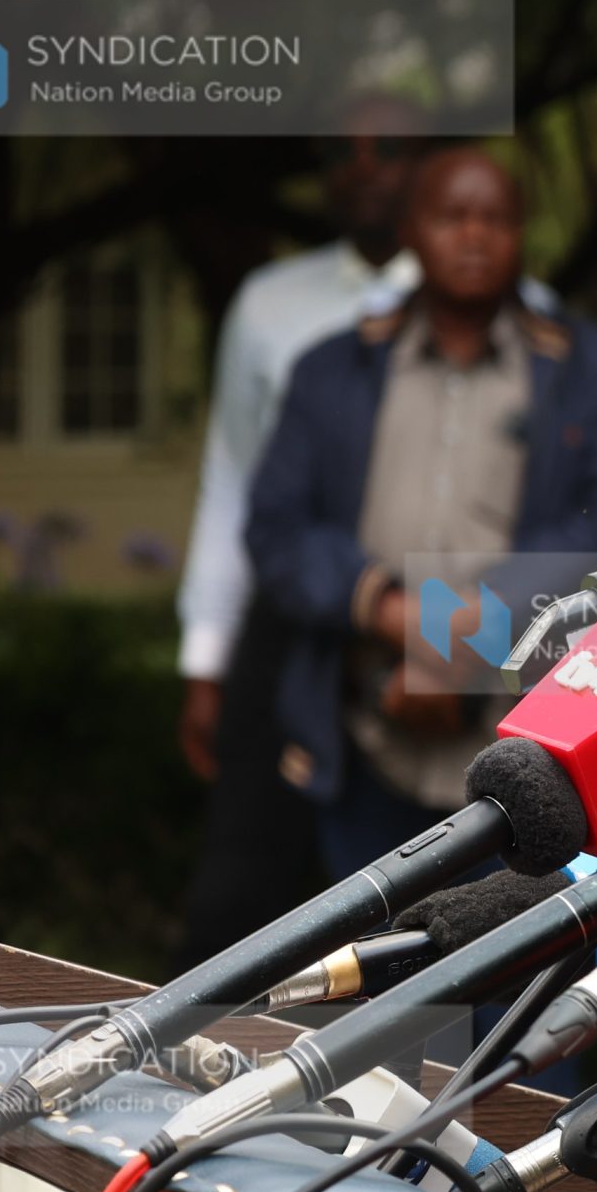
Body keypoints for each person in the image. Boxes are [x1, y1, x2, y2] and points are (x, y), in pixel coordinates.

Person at [245, 149, 597, 875]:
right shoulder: (330, 370)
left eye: (494, 218)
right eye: (451, 216)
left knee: (512, 973)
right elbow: (276, 527)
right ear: (410, 231)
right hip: (363, 731)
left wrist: (460, 641)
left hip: (527, 740)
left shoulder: (596, 371)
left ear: (522, 234)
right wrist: (397, 614)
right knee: (370, 969)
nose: (473, 235)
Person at [169, 99, 423, 966]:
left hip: (441, 627)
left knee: (416, 907)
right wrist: (206, 654)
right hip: (290, 631)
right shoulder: (273, 306)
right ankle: (216, 1084)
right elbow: (233, 480)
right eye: (339, 147)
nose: (362, 165)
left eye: (386, 145)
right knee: (241, 899)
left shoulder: (504, 303)